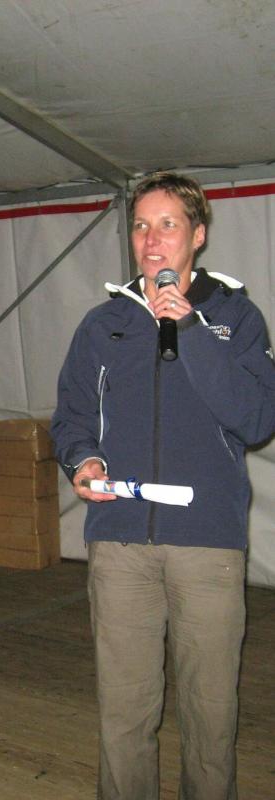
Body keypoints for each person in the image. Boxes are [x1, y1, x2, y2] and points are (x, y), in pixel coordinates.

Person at [51, 171, 275, 800]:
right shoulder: (103, 324)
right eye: (141, 226)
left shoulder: (235, 317)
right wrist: (83, 463)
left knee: (210, 714)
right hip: (120, 541)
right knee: (124, 713)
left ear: (197, 235)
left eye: (168, 224)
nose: (151, 241)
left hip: (207, 543)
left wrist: (193, 332)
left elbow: (258, 419)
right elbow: (71, 417)